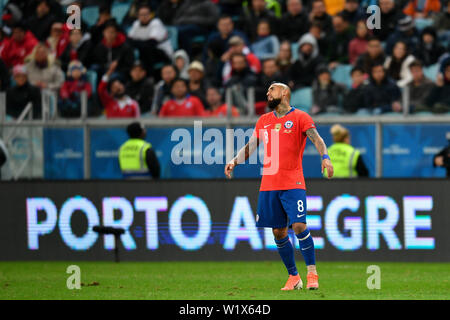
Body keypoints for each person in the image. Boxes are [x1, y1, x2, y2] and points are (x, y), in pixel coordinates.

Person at [224, 82, 334, 291]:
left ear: (284, 93)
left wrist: (326, 157)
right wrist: (234, 161)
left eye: (271, 89)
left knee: (299, 226)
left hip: (293, 181)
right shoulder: (263, 121)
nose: (267, 92)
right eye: (267, 90)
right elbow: (251, 146)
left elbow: (317, 139)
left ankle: (312, 273)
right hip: (269, 184)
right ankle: (294, 277)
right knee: (278, 232)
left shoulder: (301, 117)